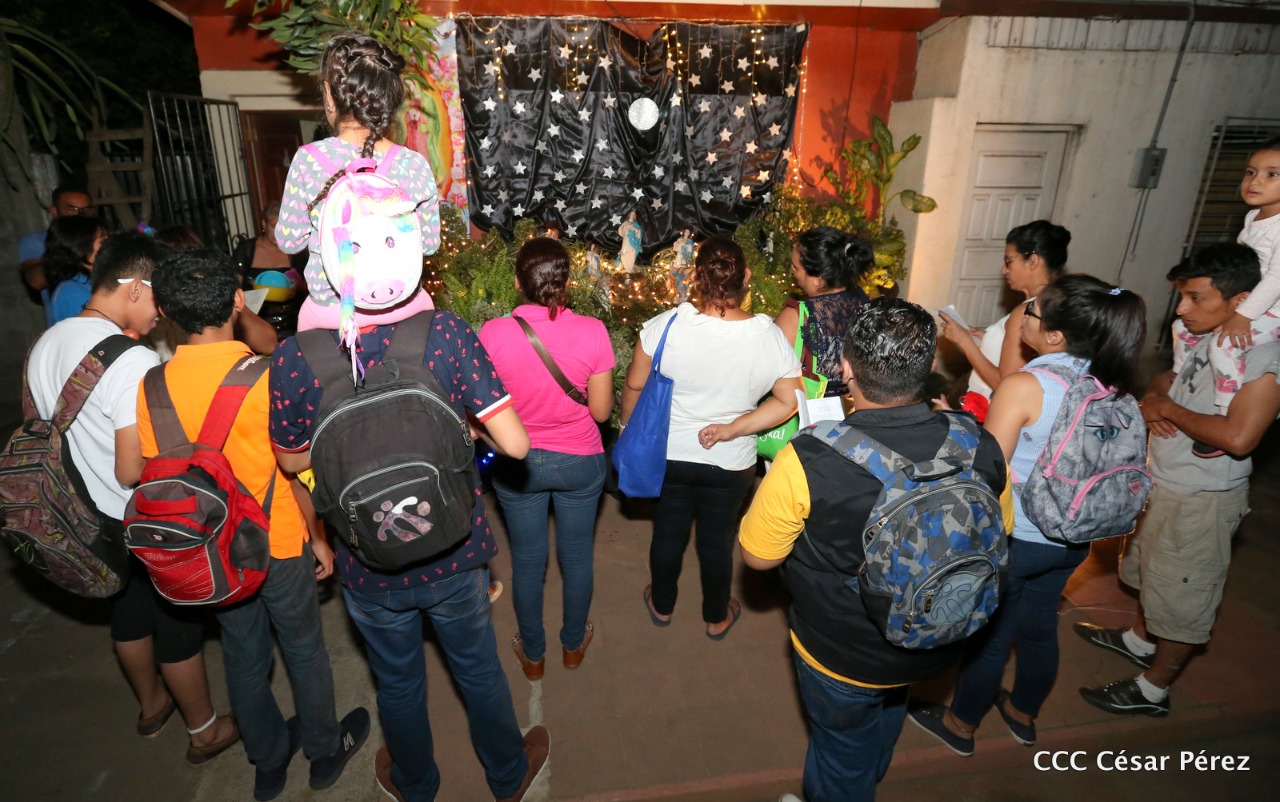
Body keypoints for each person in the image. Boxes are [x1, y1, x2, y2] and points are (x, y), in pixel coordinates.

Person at [269, 304, 549, 801]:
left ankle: (415, 784)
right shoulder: (442, 331)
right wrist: (465, 429)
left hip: (367, 561)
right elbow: (517, 445)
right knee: (478, 669)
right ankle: (507, 775)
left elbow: (291, 461)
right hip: (454, 551)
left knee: (397, 683)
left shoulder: (295, 355)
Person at [738, 298, 1010, 802]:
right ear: (927, 368)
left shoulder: (809, 457)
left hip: (841, 653)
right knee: (887, 709)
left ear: (846, 369)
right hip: (934, 636)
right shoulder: (979, 443)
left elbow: (759, 557)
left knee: (840, 752)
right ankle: (873, 768)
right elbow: (1001, 531)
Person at [138, 248, 368, 801]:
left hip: (212, 548)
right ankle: (323, 751)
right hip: (278, 538)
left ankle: (267, 760)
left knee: (242, 655)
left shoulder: (152, 387)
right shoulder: (268, 376)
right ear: (238, 299)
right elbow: (296, 471)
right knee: (304, 648)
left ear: (164, 310)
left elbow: (155, 472)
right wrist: (318, 537)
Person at [907, 275, 1147, 756]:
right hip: (1072, 536)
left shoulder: (1026, 385)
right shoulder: (1111, 385)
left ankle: (960, 725)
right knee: (1038, 629)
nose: (1023, 318)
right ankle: (1022, 714)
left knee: (992, 637)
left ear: (1055, 335)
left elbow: (988, 469)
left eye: (1032, 313)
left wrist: (952, 423)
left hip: (1020, 536)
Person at [25, 231, 240, 766]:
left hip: (80, 516)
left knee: (128, 616)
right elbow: (130, 469)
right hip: (133, 519)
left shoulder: (47, 341)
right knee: (177, 625)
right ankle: (204, 730)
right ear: (136, 287)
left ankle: (151, 706)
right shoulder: (129, 360)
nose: (161, 314)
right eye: (157, 298)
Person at [1077, 243, 1280, 716]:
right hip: (1167, 480)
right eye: (1182, 297)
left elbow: (1240, 437)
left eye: (1196, 298)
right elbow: (1169, 377)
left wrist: (1167, 409)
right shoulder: (1209, 335)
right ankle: (1140, 641)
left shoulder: (1263, 356)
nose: (1182, 309)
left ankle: (1154, 690)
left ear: (1241, 301)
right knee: (1154, 575)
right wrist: (1154, 397)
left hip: (1200, 497)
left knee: (1183, 597)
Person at [622, 236, 802, 639]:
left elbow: (634, 385)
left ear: (695, 276)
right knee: (717, 540)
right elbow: (789, 400)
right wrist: (733, 428)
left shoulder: (666, 326)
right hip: (731, 461)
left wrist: (627, 429)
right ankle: (716, 615)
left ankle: (662, 604)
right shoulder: (767, 336)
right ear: (746, 276)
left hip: (670, 455)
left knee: (668, 532)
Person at [479, 237, 616, 680]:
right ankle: (573, 646)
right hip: (580, 461)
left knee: (527, 562)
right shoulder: (593, 331)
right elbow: (601, 413)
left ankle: (534, 656)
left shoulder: (493, 333)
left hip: (518, 464)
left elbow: (477, 404)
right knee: (576, 558)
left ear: (518, 282)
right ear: (567, 282)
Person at [274, 31, 439, 332]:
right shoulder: (414, 163)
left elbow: (289, 240)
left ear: (329, 95)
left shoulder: (309, 160)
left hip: (333, 314)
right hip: (405, 309)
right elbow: (429, 245)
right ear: (390, 101)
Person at [1170, 135, 1280, 430]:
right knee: (1182, 327)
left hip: (1274, 311)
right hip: (1248, 299)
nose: (1256, 181)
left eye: (1272, 174)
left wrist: (1242, 317)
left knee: (1225, 344)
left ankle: (1225, 410)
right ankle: (1178, 379)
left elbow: (1276, 279)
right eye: (1251, 172)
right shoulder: (1253, 217)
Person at [939, 220, 1071, 420]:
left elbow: (1005, 385)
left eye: (1009, 261)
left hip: (988, 412)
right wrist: (989, 337)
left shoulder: (1028, 312)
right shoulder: (1057, 302)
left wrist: (965, 342)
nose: (1004, 270)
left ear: (1033, 261)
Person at [773, 226, 873, 399]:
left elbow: (766, 373)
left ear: (818, 280)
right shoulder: (864, 302)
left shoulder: (797, 316)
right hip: (855, 407)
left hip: (809, 411)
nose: (792, 272)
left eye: (795, 267)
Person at [18, 184, 95, 302]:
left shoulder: (100, 238)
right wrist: (74, 249)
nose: (80, 215)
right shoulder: (38, 240)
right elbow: (36, 281)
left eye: (86, 209)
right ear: (54, 211)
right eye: (72, 209)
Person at [44, 215, 109, 325]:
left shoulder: (95, 282)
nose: (112, 246)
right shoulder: (72, 293)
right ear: (81, 249)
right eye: (103, 242)